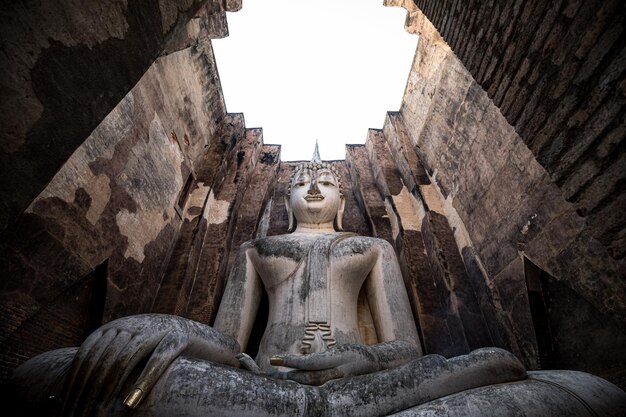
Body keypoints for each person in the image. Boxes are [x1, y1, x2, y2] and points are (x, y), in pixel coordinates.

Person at [11, 158, 564, 417]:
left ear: (343, 200)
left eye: (326, 182)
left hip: (364, 388)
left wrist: (360, 359)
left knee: (508, 366)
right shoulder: (257, 251)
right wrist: (170, 329)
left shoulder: (371, 248)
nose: (315, 187)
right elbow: (227, 346)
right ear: (286, 199)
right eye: (303, 182)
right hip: (263, 391)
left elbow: (407, 352)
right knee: (51, 371)